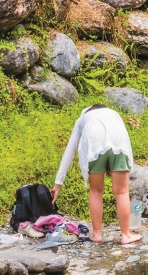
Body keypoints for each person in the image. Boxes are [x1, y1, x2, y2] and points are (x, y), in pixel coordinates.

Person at [53, 104, 139, 245]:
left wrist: (58, 183)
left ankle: (97, 234)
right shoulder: (113, 113)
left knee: (96, 190)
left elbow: (70, 150)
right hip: (119, 140)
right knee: (122, 191)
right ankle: (126, 235)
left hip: (94, 140)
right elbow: (125, 139)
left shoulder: (82, 119)